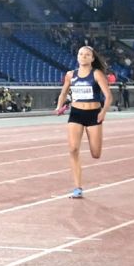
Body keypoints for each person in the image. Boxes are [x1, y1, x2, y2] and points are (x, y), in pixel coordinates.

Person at [54, 46, 112, 198]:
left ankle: (78, 186)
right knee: (73, 149)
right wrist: (59, 107)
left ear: (92, 58)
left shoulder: (97, 74)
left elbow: (108, 96)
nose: (83, 57)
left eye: (87, 55)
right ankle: (77, 188)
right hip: (76, 114)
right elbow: (63, 93)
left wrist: (103, 112)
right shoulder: (70, 75)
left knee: (96, 154)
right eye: (81, 54)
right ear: (77, 57)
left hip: (94, 115)